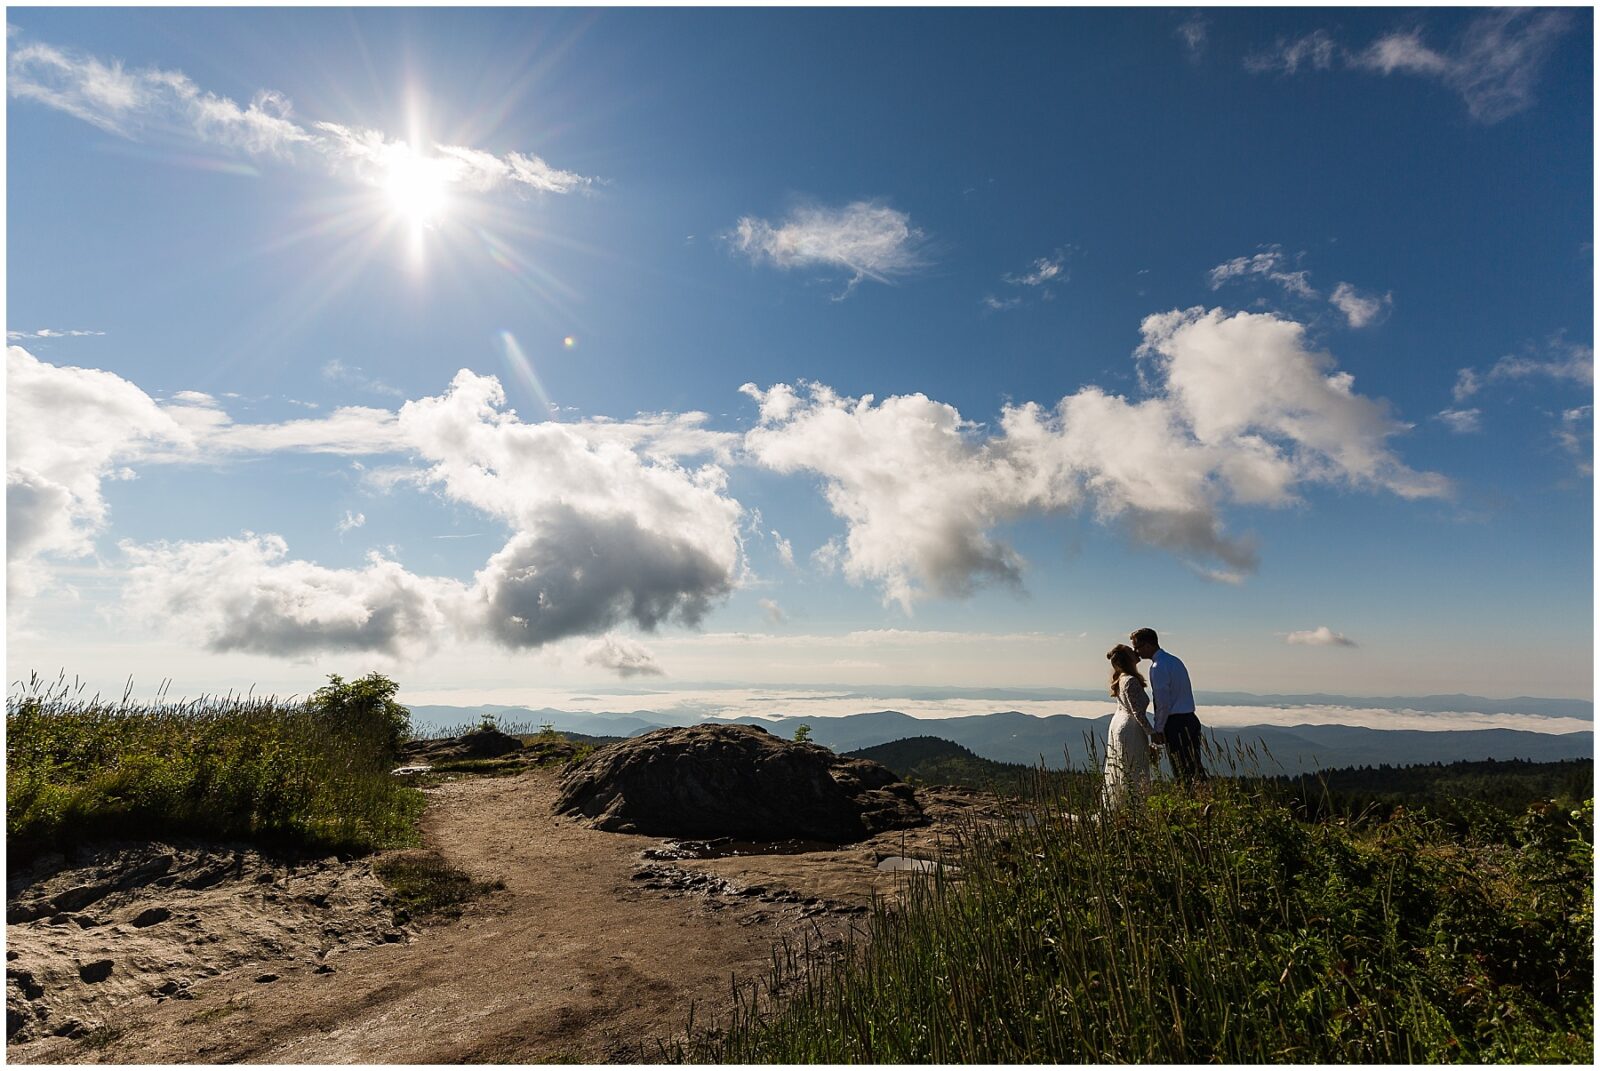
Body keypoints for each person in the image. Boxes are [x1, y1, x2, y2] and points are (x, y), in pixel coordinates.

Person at [1129, 627, 1206, 785]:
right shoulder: (1174, 661)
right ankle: (1204, 800)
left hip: (1176, 724)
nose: (1136, 652)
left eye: (1137, 647)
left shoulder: (1157, 668)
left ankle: (1189, 802)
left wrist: (1158, 729)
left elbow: (1163, 702)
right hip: (1190, 720)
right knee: (1195, 767)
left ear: (1148, 645)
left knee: (1181, 771)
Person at [1102, 643, 1158, 809]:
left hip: (1118, 724)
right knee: (1135, 768)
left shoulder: (1121, 678)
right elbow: (1138, 713)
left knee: (1123, 766)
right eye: (1130, 652)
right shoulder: (1131, 680)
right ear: (1128, 659)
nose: (1135, 652)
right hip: (1130, 728)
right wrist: (1152, 733)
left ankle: (1123, 805)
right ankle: (1135, 806)